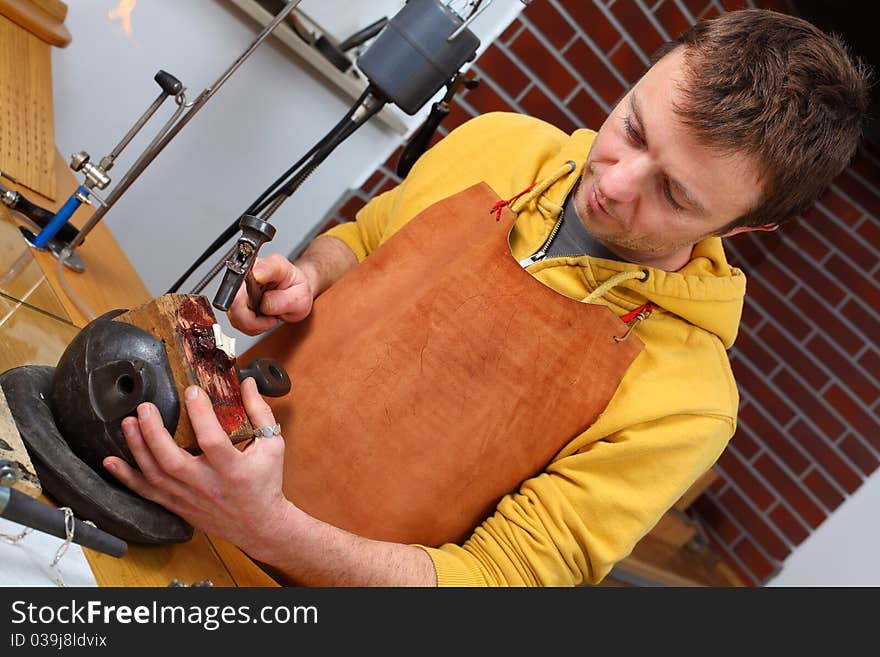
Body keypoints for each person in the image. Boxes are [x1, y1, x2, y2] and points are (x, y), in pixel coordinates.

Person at [103, 9, 871, 586]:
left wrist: (268, 529)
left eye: (673, 193)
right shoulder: (502, 142)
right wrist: (310, 276)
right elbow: (366, 236)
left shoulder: (687, 399)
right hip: (168, 473)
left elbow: (499, 580)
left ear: (750, 224)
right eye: (633, 129)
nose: (612, 182)